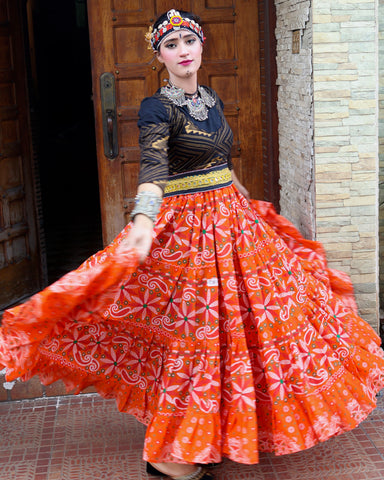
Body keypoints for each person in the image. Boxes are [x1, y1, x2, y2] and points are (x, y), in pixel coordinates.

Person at [1, 8, 384, 480]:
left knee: (251, 327)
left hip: (233, 222)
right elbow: (155, 166)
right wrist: (143, 219)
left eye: (188, 41)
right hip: (192, 234)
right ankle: (171, 456)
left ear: (201, 45)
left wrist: (244, 196)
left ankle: (217, 430)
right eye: (170, 45)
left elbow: (219, 154)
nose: (182, 51)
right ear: (159, 56)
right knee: (199, 335)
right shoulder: (155, 108)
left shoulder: (211, 97)